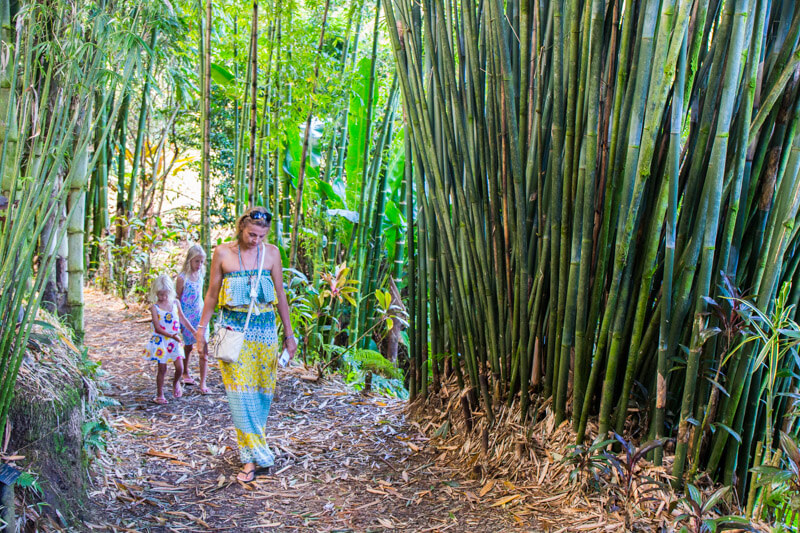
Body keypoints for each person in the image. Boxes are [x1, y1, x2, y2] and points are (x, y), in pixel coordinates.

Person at [196, 206, 298, 483]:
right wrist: (201, 330)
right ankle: (251, 459)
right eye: (252, 234)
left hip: (265, 333)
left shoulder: (272, 253)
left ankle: (255, 448)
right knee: (239, 396)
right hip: (231, 330)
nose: (255, 240)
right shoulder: (222, 252)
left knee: (262, 395)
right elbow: (212, 295)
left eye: (261, 236)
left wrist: (289, 335)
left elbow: (280, 295)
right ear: (241, 227)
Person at [143, 274, 197, 405]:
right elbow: (157, 327)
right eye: (160, 294)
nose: (163, 297)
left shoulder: (175, 303)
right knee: (162, 369)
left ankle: (176, 383)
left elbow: (182, 319)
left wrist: (194, 331)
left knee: (179, 367)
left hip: (174, 340)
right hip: (162, 340)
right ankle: (160, 393)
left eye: (165, 294)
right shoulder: (154, 307)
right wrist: (171, 335)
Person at [176, 244, 210, 394]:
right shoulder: (182, 278)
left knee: (204, 348)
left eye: (202, 262)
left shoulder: (201, 275)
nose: (199, 265)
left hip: (200, 315)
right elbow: (177, 298)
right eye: (197, 261)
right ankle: (185, 372)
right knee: (188, 346)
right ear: (190, 260)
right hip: (187, 316)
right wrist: (179, 319)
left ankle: (203, 383)